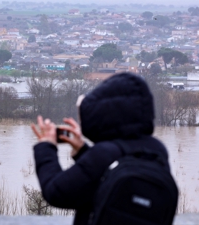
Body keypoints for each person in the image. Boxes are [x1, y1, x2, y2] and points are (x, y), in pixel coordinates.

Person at [31, 72, 175, 225]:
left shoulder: (103, 153)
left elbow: (56, 192)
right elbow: (107, 182)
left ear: (102, 115)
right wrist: (82, 152)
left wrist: (45, 147)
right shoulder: (157, 148)